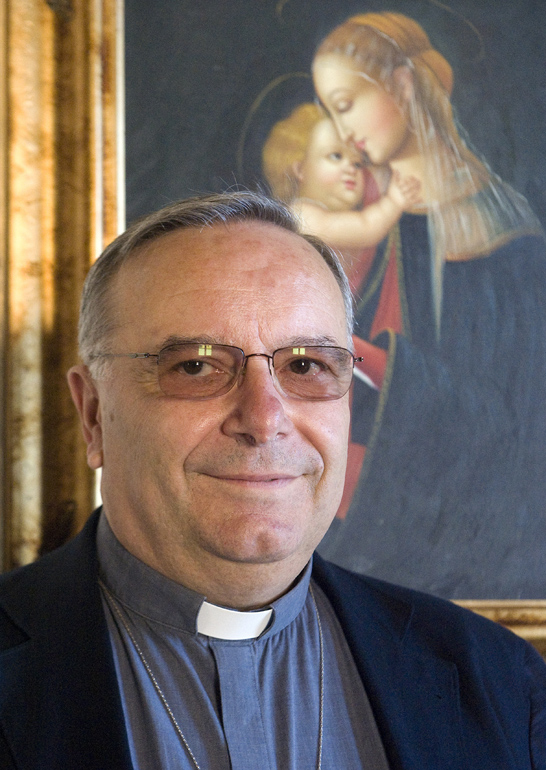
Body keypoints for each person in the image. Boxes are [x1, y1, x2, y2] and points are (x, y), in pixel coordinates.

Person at [0, 191, 544, 769]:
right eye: (196, 366)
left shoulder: (500, 685)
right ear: (92, 415)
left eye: (305, 366)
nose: (263, 420)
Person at [311, 12, 546, 597]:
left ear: (403, 85)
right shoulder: (370, 221)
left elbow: (515, 428)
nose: (341, 132)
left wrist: (369, 361)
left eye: (344, 103)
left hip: (465, 529)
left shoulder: (501, 230)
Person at [262, 102, 420, 291]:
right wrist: (394, 201)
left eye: (357, 164)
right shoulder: (302, 214)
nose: (350, 169)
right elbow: (366, 227)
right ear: (300, 169)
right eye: (336, 156)